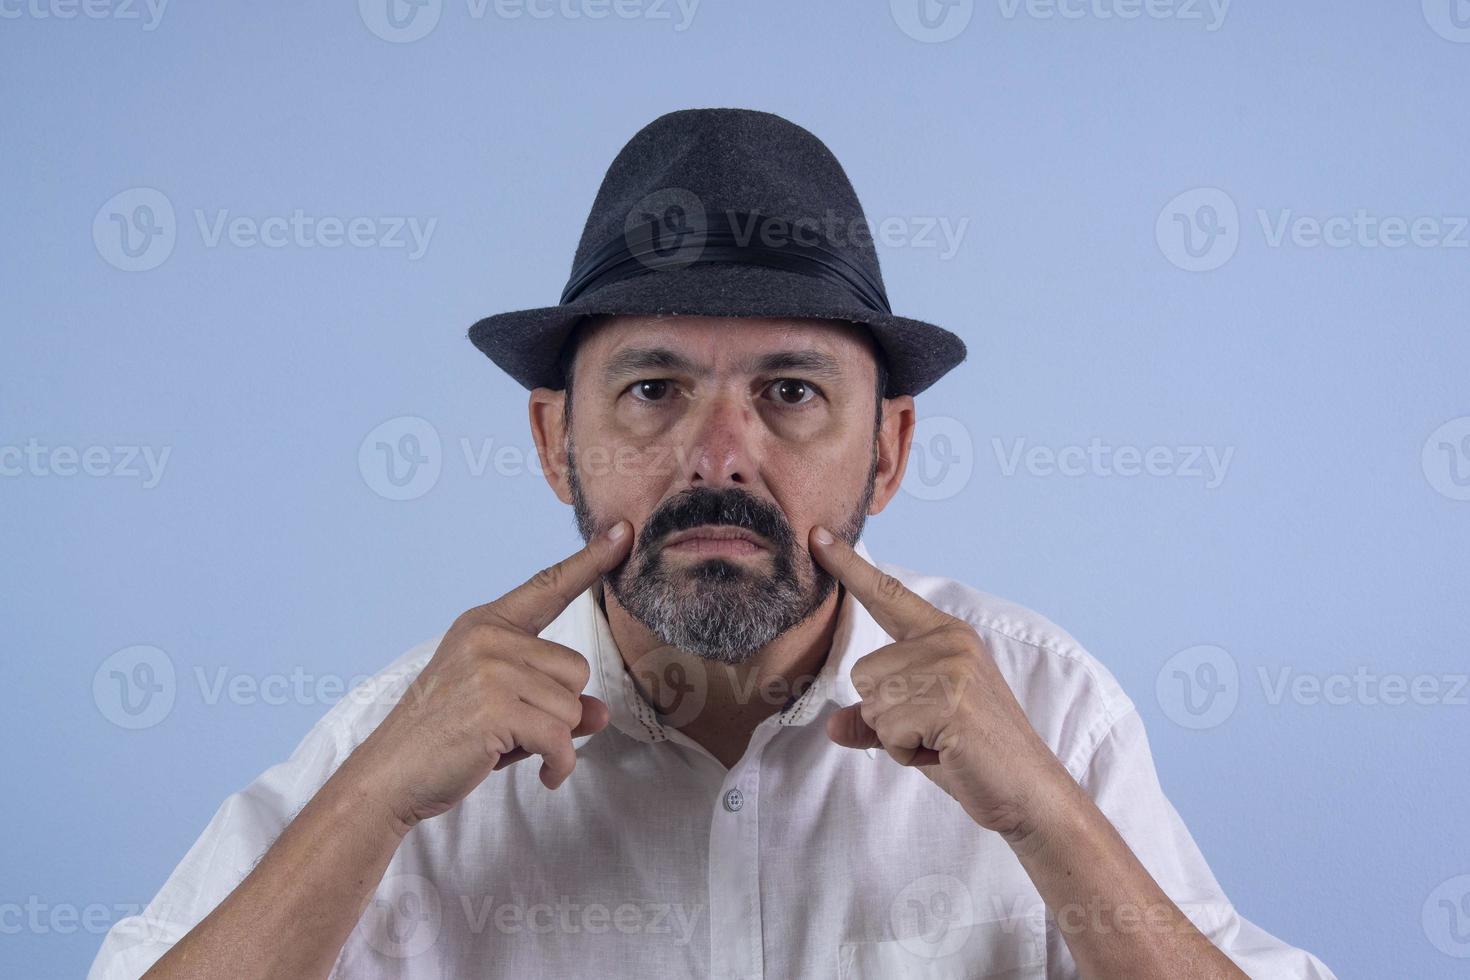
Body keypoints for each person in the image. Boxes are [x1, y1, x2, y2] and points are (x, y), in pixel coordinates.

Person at [90, 108, 1336, 979]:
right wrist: (365, 807)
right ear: (552, 438)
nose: (719, 454)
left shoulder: (1050, 708)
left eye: (791, 392)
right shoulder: (401, 738)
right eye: (652, 390)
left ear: (889, 451)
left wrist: (1052, 824)